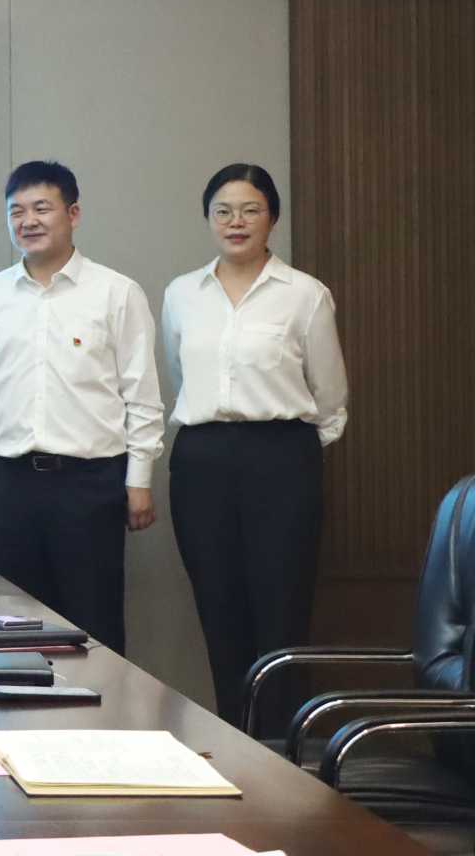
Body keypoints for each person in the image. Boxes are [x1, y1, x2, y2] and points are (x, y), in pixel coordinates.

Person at [162, 163, 347, 723]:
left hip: (282, 459)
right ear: (208, 219)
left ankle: (282, 749)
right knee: (218, 609)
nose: (235, 222)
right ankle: (235, 740)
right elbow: (179, 373)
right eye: (223, 211)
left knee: (281, 610)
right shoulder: (182, 293)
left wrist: (286, 453)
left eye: (250, 210)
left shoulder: (304, 294)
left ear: (272, 219)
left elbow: (330, 397)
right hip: (201, 462)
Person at [0, 160, 162, 655]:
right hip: (12, 483)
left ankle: (104, 709)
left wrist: (138, 481)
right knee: (16, 628)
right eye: (16, 211)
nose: (27, 221)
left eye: (41, 208)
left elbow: (141, 395)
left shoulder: (116, 292)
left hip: (90, 485)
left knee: (94, 626)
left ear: (73, 214)